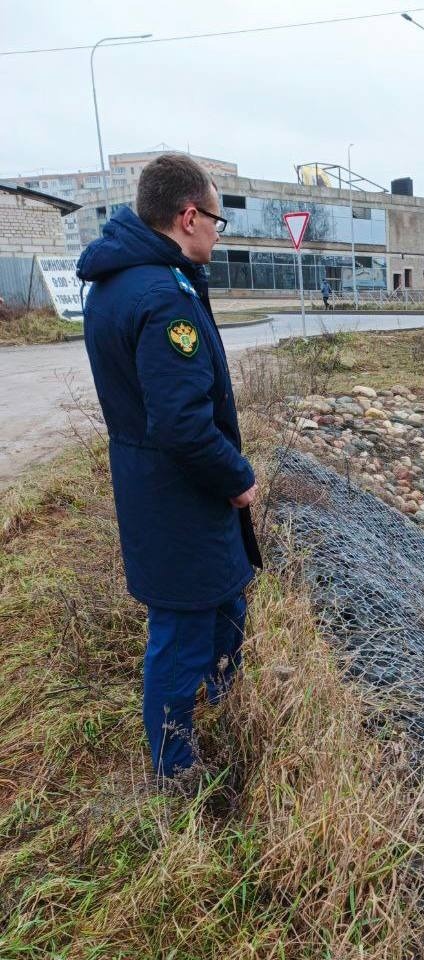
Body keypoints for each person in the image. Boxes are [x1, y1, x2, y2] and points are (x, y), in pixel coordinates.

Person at [78, 153, 262, 782]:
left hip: (158, 489)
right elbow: (182, 423)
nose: (217, 233)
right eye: (216, 220)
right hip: (181, 498)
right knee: (182, 632)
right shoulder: (163, 298)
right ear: (188, 217)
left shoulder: (122, 282)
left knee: (221, 604)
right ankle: (175, 771)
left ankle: (223, 704)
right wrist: (237, 477)